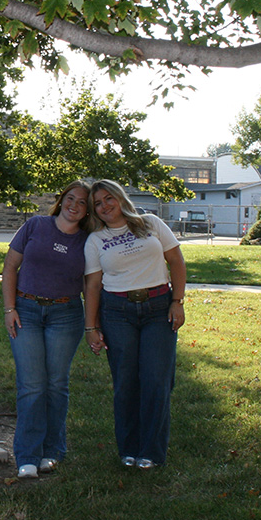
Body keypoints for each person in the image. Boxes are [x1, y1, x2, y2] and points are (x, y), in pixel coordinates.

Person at [83, 179, 187, 469]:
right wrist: (91, 327)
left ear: (120, 197)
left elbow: (176, 261)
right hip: (117, 312)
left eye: (108, 199)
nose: (104, 206)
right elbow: (92, 285)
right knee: (126, 382)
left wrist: (177, 301)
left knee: (156, 380)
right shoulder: (96, 240)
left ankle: (152, 451)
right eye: (98, 204)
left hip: (158, 308)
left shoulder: (150, 223)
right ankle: (128, 448)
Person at [2, 180, 93, 479]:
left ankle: (51, 452)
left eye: (82, 202)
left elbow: (90, 284)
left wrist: (95, 324)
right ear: (61, 199)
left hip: (66, 315)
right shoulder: (35, 225)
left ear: (87, 209)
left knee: (55, 385)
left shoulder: (88, 240)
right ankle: (27, 455)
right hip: (26, 311)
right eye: (70, 198)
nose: (74, 205)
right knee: (32, 385)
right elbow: (10, 267)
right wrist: (9, 309)